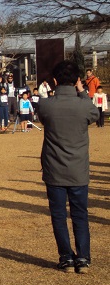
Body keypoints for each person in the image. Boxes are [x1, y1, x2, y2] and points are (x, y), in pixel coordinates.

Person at [38, 60, 99, 273]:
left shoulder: (46, 105)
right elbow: (95, 114)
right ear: (77, 81)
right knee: (80, 214)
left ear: (54, 81)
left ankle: (66, 256)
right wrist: (82, 92)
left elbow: (42, 119)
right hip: (78, 169)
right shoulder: (84, 105)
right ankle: (83, 257)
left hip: (54, 168)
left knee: (58, 215)